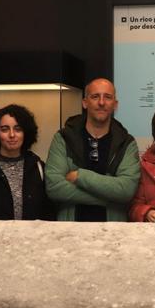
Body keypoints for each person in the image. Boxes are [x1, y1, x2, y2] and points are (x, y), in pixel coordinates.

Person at [45, 77, 140, 222]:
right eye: (95, 96)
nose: (101, 102)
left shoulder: (126, 143)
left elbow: (126, 190)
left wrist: (80, 176)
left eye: (107, 97)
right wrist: (108, 197)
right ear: (85, 102)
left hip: (113, 235)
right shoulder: (63, 138)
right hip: (69, 233)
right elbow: (54, 187)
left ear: (115, 104)